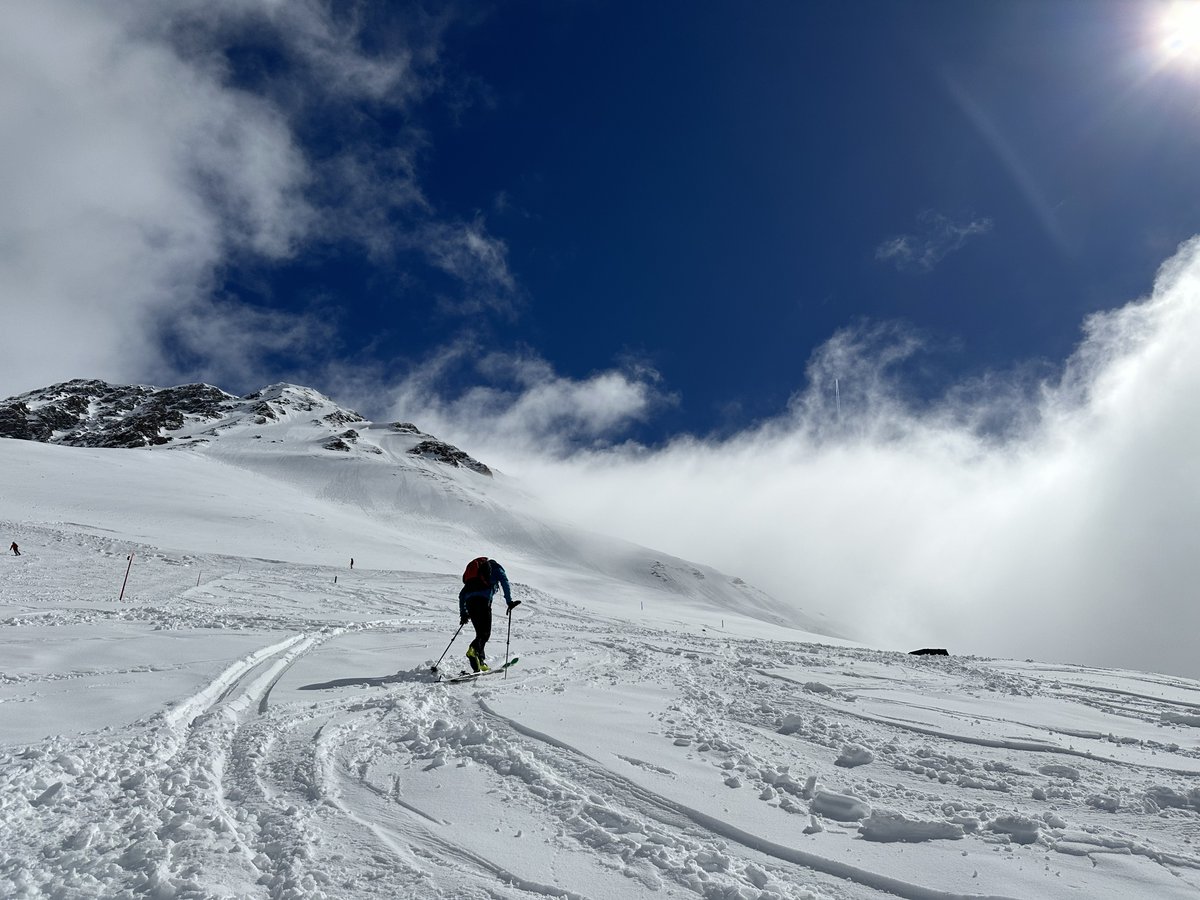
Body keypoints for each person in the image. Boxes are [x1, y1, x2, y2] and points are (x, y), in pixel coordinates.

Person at [458, 557, 516, 672]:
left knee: (480, 634)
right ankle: (473, 650)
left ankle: (480, 662)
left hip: (470, 604)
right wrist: (509, 601)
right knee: (485, 634)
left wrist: (463, 613)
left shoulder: (475, 575)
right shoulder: (496, 568)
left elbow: (462, 594)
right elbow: (504, 582)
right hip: (483, 602)